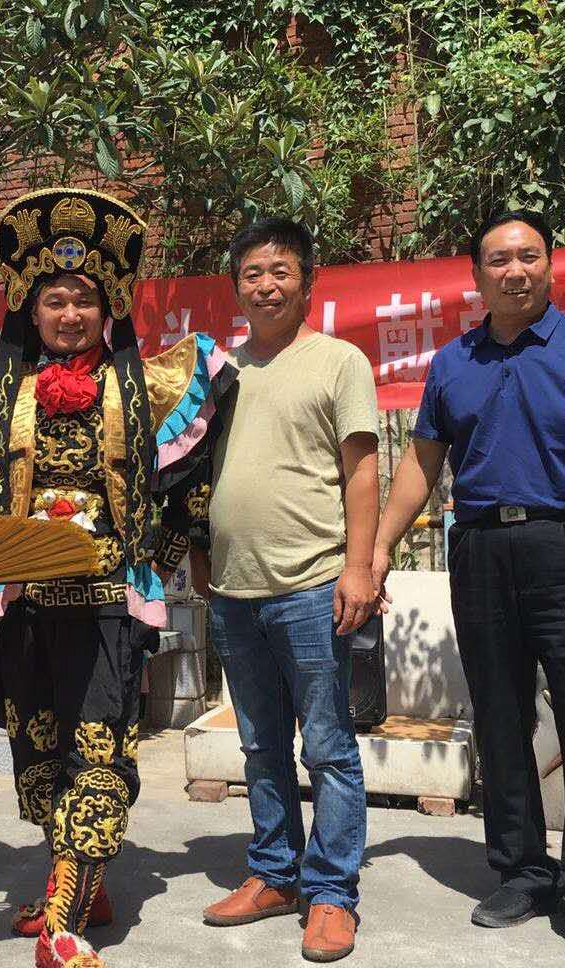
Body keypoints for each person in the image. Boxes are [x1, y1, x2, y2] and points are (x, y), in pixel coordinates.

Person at [0, 188, 233, 968]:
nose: (69, 314)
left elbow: (191, 485)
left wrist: (157, 562)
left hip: (106, 602)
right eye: (55, 301)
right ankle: (83, 883)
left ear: (108, 310)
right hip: (24, 603)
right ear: (30, 310)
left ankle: (65, 921)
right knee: (39, 752)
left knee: (98, 752)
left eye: (83, 301)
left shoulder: (146, 389)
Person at [371, 209, 565, 968]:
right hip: (481, 550)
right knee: (499, 718)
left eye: (528, 256)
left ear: (550, 266)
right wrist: (378, 548)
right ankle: (523, 871)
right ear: (477, 276)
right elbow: (422, 463)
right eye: (498, 260)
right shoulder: (453, 363)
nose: (514, 271)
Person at [196, 219, 381, 964]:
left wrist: (360, 568)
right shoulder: (221, 372)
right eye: (252, 273)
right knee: (260, 744)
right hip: (234, 590)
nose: (266, 286)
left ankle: (331, 892)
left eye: (280, 271)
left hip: (312, 584)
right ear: (235, 286)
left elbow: (362, 471)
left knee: (329, 748)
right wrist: (198, 555)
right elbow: (192, 473)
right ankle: (275, 873)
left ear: (308, 281)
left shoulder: (339, 362)